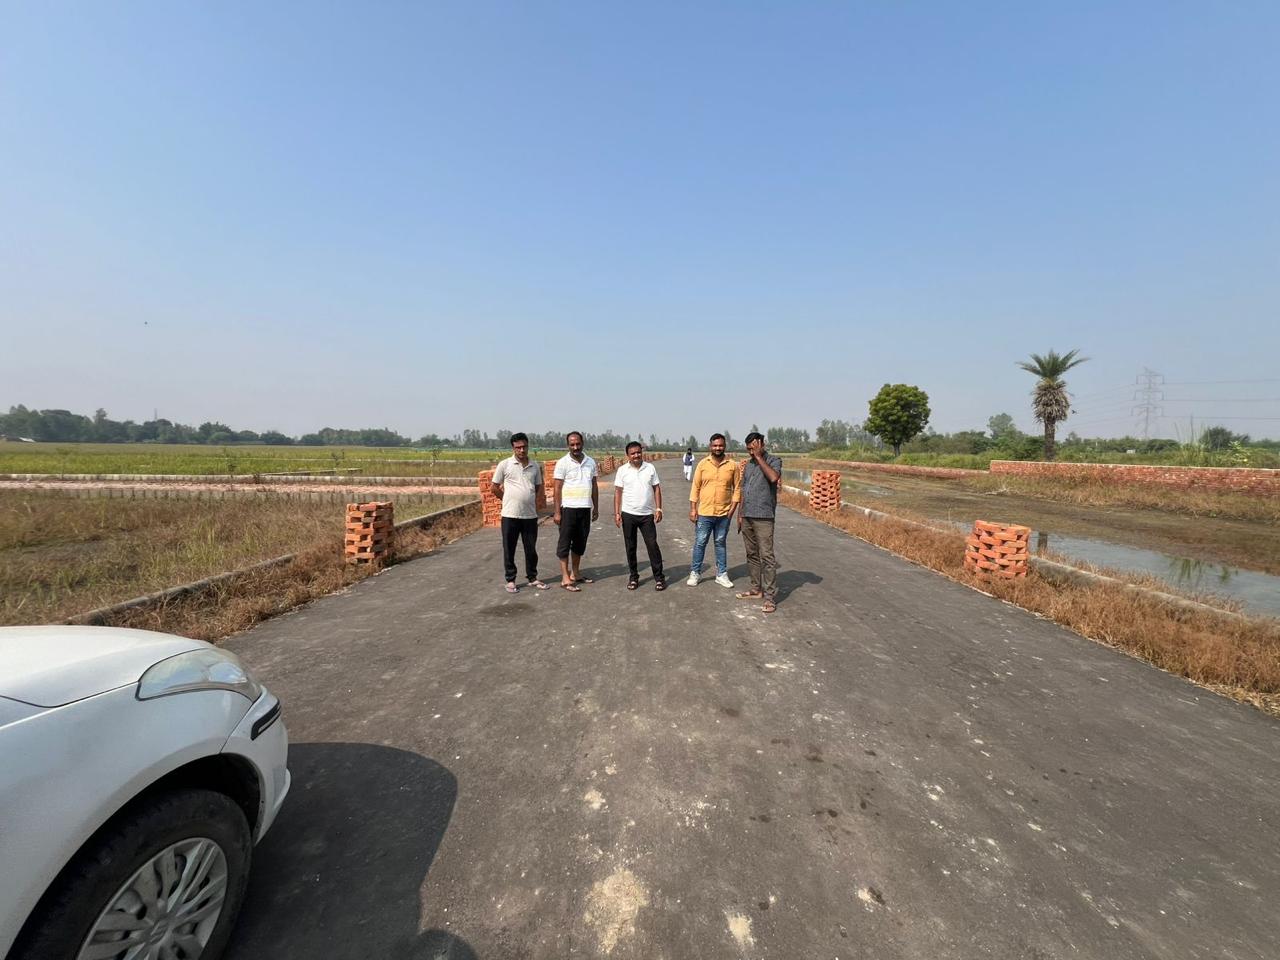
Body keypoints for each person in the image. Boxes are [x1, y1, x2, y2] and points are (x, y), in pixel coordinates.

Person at [490, 433, 548, 593]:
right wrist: (507, 498)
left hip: (530, 515)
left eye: (524, 447)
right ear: (513, 448)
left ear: (528, 446)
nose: (522, 450)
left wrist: (529, 498)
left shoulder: (535, 466)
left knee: (531, 548)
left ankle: (532, 577)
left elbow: (538, 487)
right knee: (509, 548)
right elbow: (494, 487)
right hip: (510, 515)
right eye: (518, 447)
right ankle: (510, 580)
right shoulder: (505, 465)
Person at [736, 431, 783, 613]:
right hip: (747, 515)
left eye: (754, 448)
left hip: (764, 517)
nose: (751, 452)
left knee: (767, 557)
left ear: (762, 444)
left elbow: (773, 478)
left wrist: (758, 457)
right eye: (749, 449)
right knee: (751, 554)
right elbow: (743, 490)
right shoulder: (749, 465)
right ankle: (756, 589)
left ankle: (770, 598)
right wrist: (740, 514)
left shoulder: (774, 461)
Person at [687, 433, 739, 588]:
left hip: (724, 514)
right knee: (700, 542)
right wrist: (693, 509)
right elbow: (695, 487)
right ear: (710, 446)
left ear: (725, 446)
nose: (718, 448)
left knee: (720, 543)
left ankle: (721, 574)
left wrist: (732, 510)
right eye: (715, 445)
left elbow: (737, 488)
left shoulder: (732, 465)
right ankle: (695, 572)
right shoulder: (703, 464)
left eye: (720, 445)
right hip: (704, 513)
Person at [614, 441, 665, 590]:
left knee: (652, 545)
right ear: (627, 455)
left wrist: (659, 509)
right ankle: (633, 577)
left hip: (646, 515)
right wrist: (617, 513)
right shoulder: (622, 470)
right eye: (633, 453)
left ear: (641, 452)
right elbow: (618, 492)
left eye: (638, 452)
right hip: (628, 514)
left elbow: (656, 488)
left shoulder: (650, 468)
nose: (636, 455)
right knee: (630, 547)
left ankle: (659, 578)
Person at [553, 431, 599, 591]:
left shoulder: (590, 462)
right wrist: (557, 512)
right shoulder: (562, 463)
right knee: (565, 543)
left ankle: (575, 573)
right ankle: (565, 578)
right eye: (572, 444)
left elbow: (594, 485)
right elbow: (557, 488)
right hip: (568, 509)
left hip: (584, 508)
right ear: (568, 445)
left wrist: (595, 507)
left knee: (580, 542)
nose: (575, 447)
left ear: (582, 443)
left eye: (578, 444)